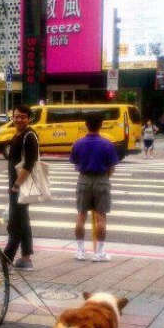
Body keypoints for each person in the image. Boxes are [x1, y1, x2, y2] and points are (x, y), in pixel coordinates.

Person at [70, 112, 118, 262]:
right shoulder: (107, 144)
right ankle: (99, 253)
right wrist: (104, 178)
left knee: (81, 215)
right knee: (101, 217)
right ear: (101, 125)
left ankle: (80, 251)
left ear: (86, 125)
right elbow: (111, 168)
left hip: (83, 179)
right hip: (102, 179)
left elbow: (76, 163)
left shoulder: (78, 143)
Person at [3, 105, 39, 271]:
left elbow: (30, 163)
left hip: (20, 185)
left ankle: (7, 257)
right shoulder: (18, 134)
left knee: (16, 221)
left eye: (22, 117)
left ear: (29, 118)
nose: (18, 119)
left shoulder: (29, 135)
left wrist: (17, 184)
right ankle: (26, 258)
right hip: (16, 184)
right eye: (16, 116)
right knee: (22, 220)